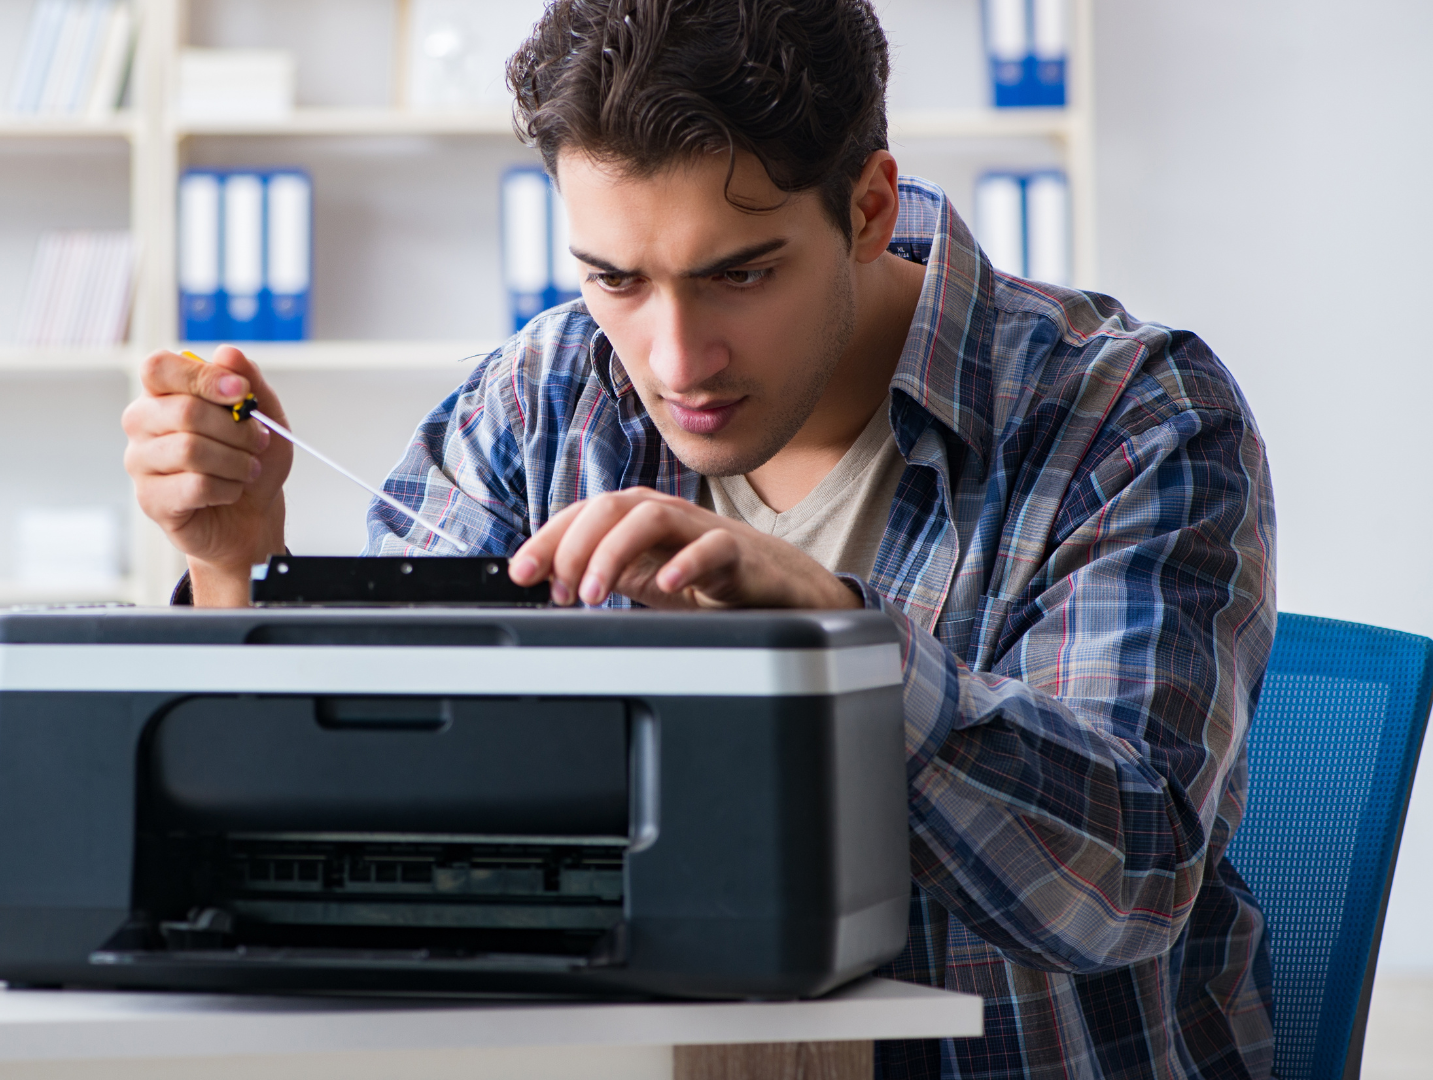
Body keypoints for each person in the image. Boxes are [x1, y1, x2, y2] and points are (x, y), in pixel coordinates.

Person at [121, 0, 1276, 1076]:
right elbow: (351, 809)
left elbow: (1122, 888)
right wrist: (232, 566)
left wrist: (838, 643)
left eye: (741, 273)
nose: (676, 363)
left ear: (869, 207)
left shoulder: (1129, 416)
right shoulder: (547, 393)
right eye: (615, 279)